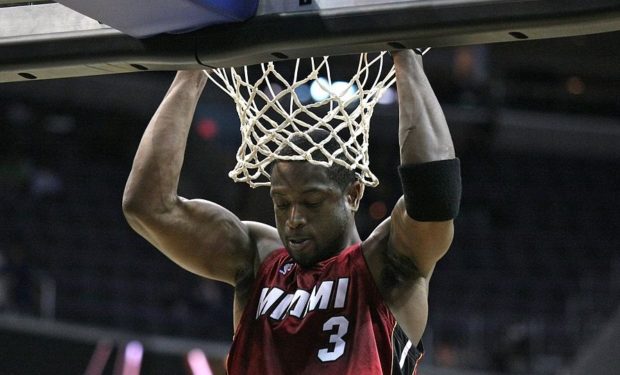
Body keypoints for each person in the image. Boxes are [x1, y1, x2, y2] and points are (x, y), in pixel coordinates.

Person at [122, 49, 461, 374]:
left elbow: (434, 197)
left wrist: (406, 58)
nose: (294, 218)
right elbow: (149, 207)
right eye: (281, 204)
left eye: (312, 202)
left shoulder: (386, 264)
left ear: (354, 194)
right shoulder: (257, 259)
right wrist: (192, 69)